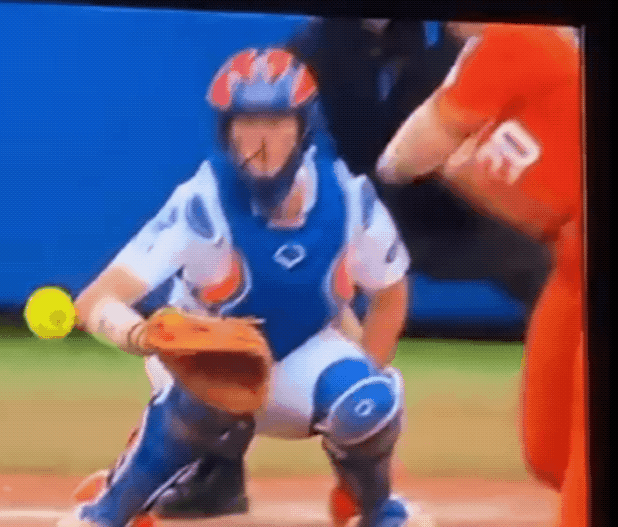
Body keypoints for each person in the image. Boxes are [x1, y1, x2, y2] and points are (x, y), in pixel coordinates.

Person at [58, 47, 432, 527]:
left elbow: (390, 295)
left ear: (303, 127)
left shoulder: (347, 198)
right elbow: (96, 300)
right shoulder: (202, 204)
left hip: (301, 355)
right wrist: (142, 335)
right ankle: (109, 509)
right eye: (246, 122)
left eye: (276, 121)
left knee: (370, 404)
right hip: (205, 361)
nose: (261, 139)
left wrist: (365, 426)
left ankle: (373, 506)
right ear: (225, 131)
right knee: (203, 401)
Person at [375, 23, 586, 526]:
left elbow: (405, 156)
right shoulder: (539, 52)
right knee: (550, 451)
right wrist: (465, 171)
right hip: (573, 270)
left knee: (585, 464)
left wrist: (408, 164)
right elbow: (547, 215)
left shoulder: (519, 37)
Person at [286, 19, 553, 331]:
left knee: (539, 262)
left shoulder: (426, 47)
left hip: (445, 216)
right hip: (377, 208)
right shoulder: (318, 45)